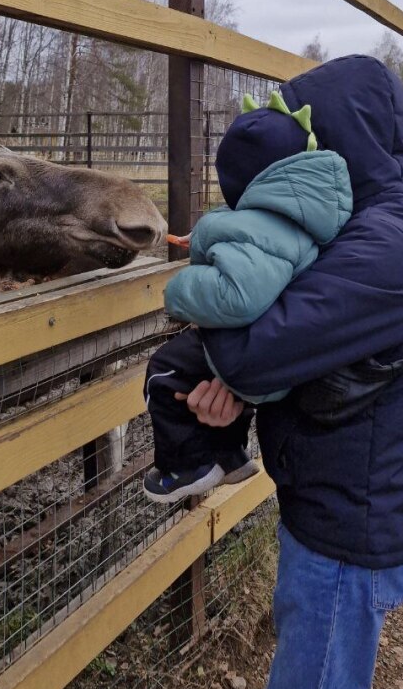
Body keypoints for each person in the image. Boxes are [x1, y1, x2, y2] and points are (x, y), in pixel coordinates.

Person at [154, 55, 403, 689]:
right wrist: (240, 390)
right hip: (341, 503)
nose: (301, 146)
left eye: (310, 130)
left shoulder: (390, 248)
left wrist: (225, 362)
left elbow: (255, 351)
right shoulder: (366, 226)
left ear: (345, 135)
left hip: (349, 526)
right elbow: (312, 351)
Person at [143, 89, 354, 502]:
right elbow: (251, 239)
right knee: (191, 377)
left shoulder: (264, 227)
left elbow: (238, 297)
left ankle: (185, 466)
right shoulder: (298, 214)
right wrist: (207, 235)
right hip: (277, 348)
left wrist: (178, 291)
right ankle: (231, 454)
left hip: (251, 346)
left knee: (162, 374)